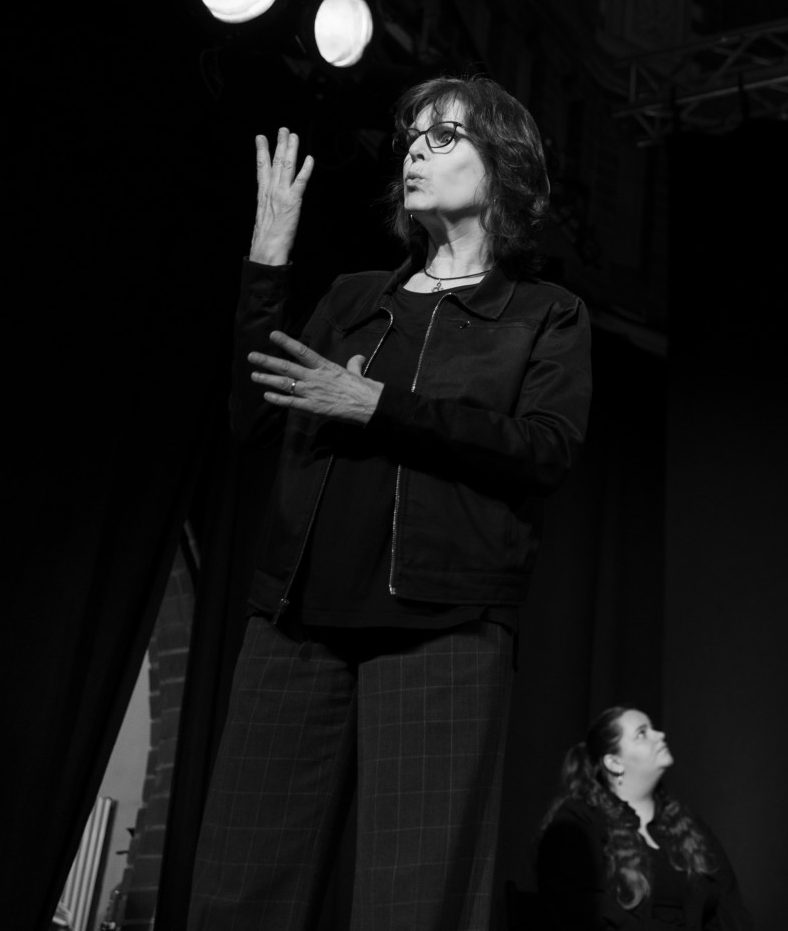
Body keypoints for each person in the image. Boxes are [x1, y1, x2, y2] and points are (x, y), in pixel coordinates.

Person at [189, 75, 593, 930]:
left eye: (444, 136)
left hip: (441, 624)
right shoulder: (352, 298)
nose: (415, 150)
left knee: (415, 902)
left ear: (505, 164)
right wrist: (267, 263)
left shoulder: (544, 314)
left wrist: (382, 407)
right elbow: (253, 417)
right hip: (296, 619)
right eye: (411, 136)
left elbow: (545, 449)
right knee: (238, 887)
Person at [536, 707, 753, 930]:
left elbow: (730, 907)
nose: (660, 735)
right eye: (642, 733)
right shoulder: (579, 821)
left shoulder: (690, 827)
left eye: (653, 729)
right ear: (614, 763)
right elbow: (585, 911)